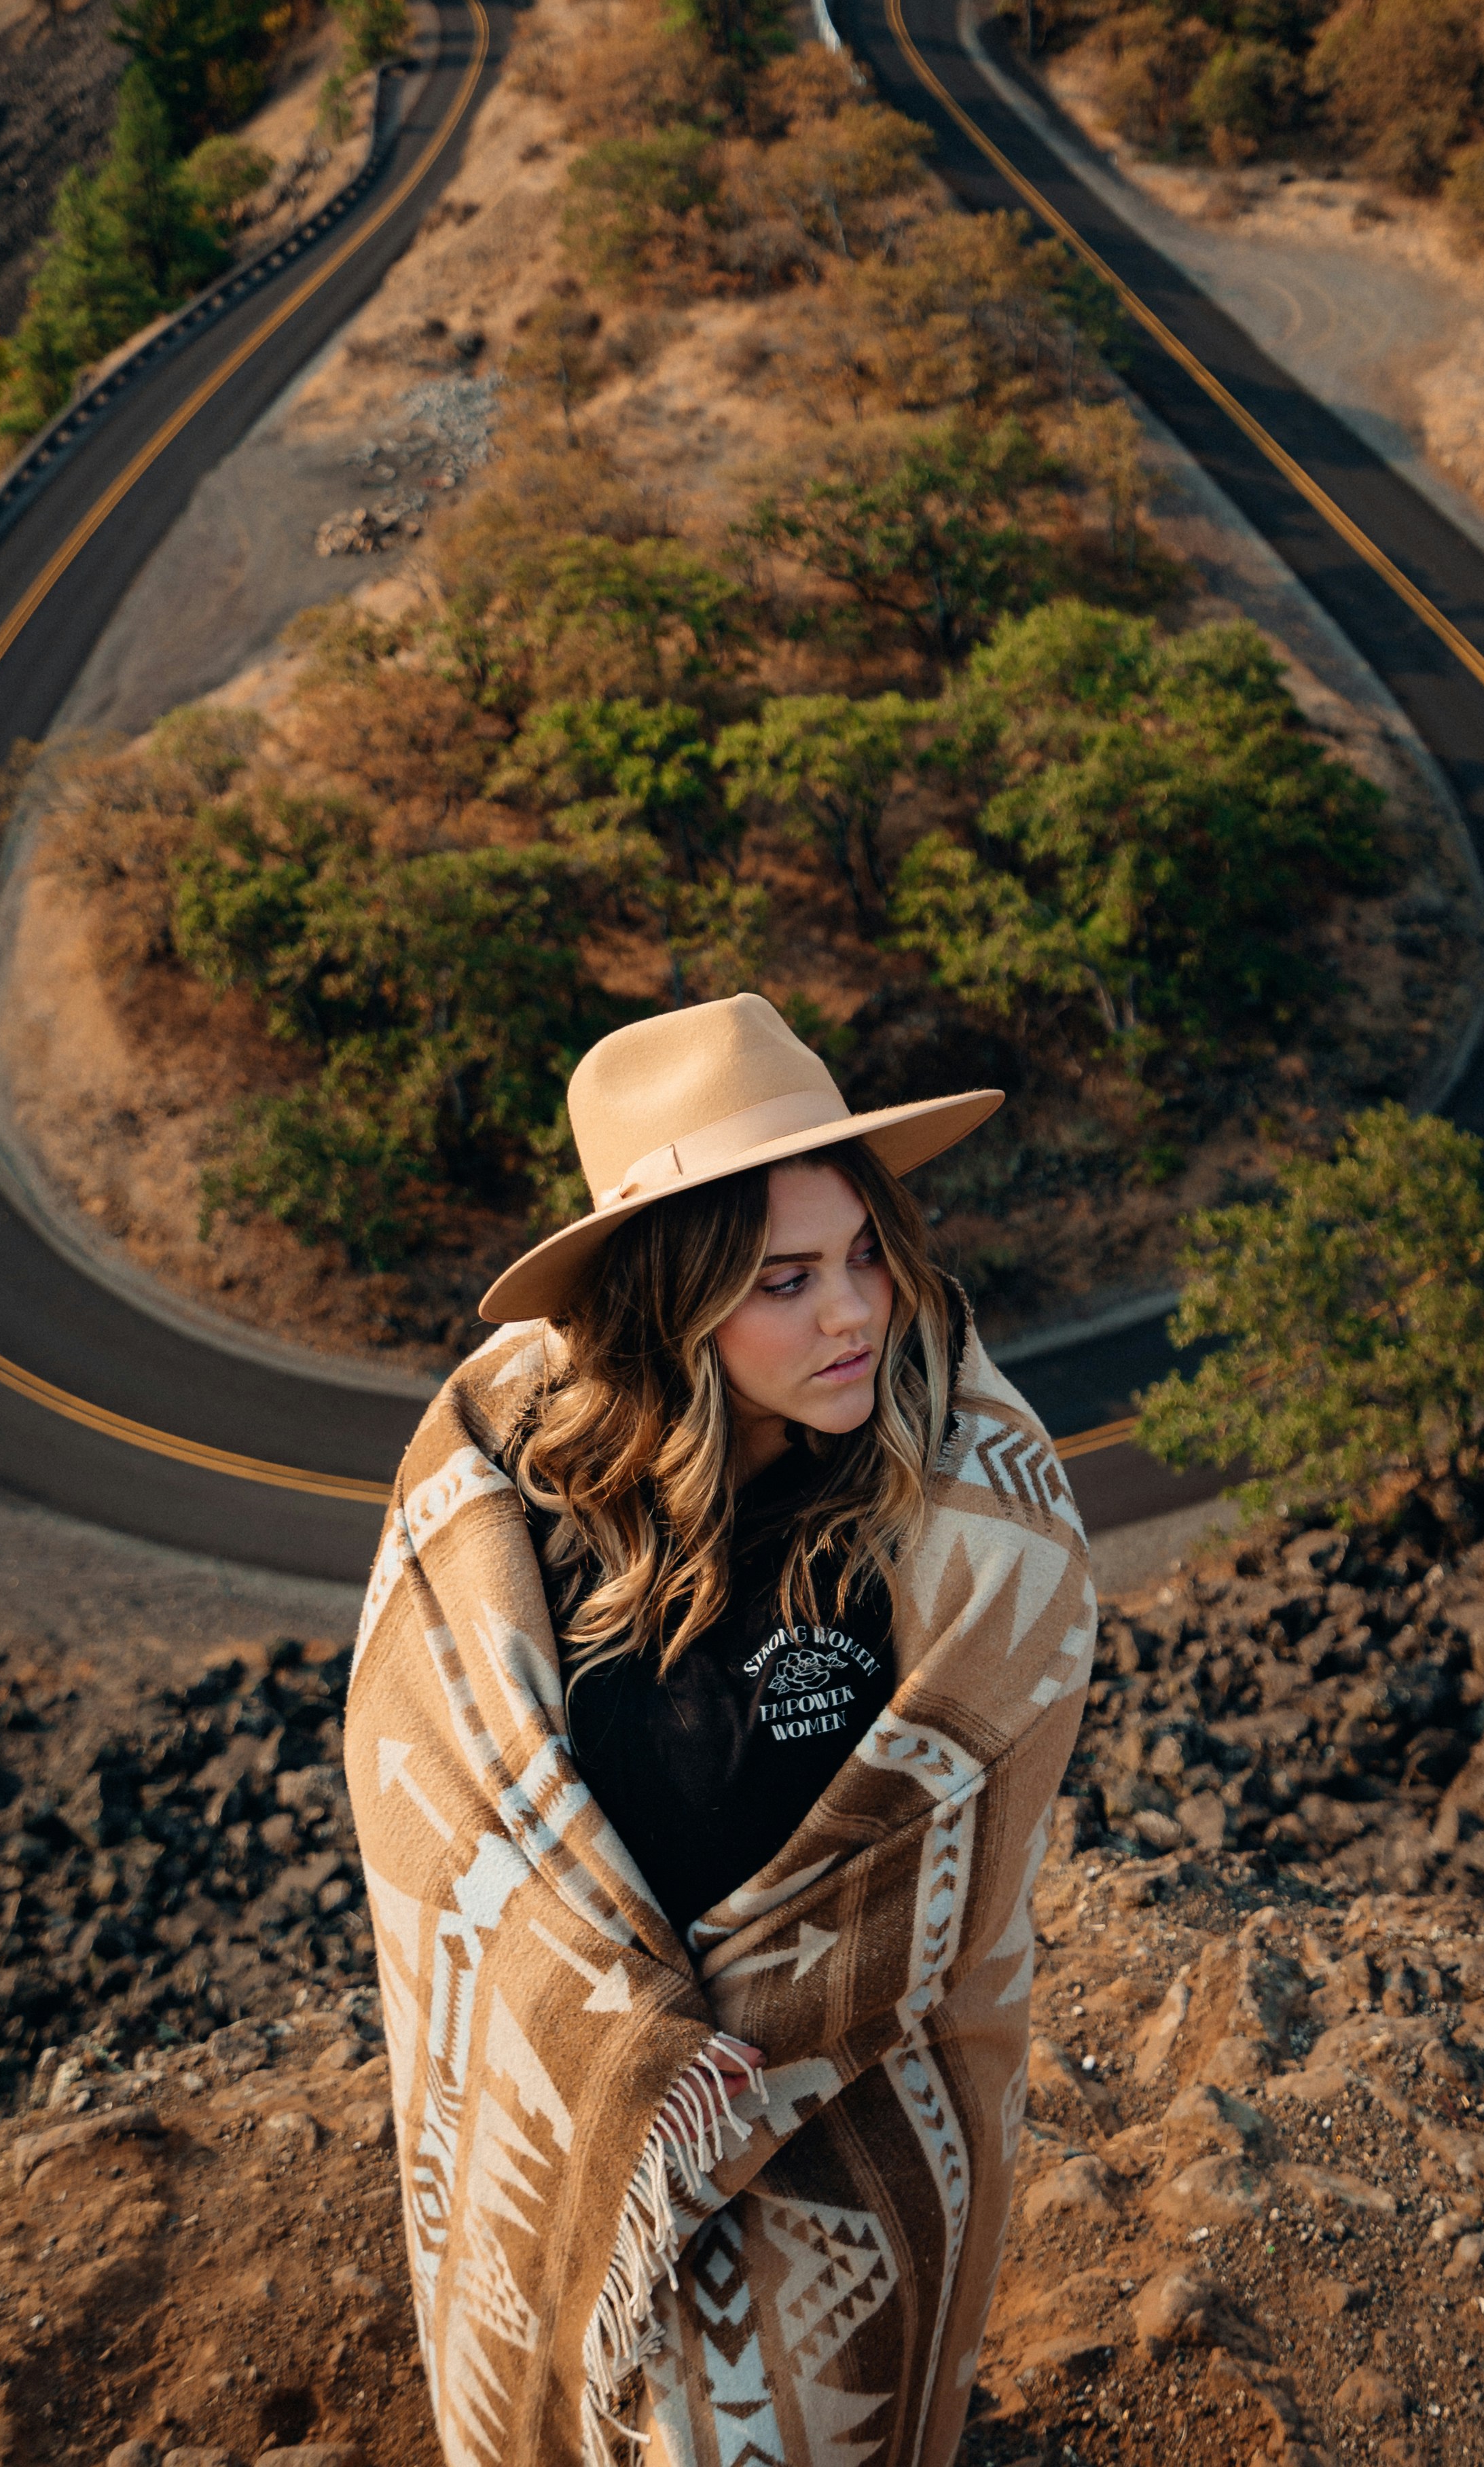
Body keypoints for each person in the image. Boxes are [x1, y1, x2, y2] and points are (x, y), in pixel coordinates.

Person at [346, 993, 1095, 2467]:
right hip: (594, 2138)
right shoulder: (524, 1522)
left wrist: (720, 2066)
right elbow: (448, 1819)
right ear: (668, 1297)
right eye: (785, 1277)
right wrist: (629, 2060)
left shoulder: (929, 1518)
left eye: (869, 1252)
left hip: (846, 2148)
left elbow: (938, 1867)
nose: (855, 1310)